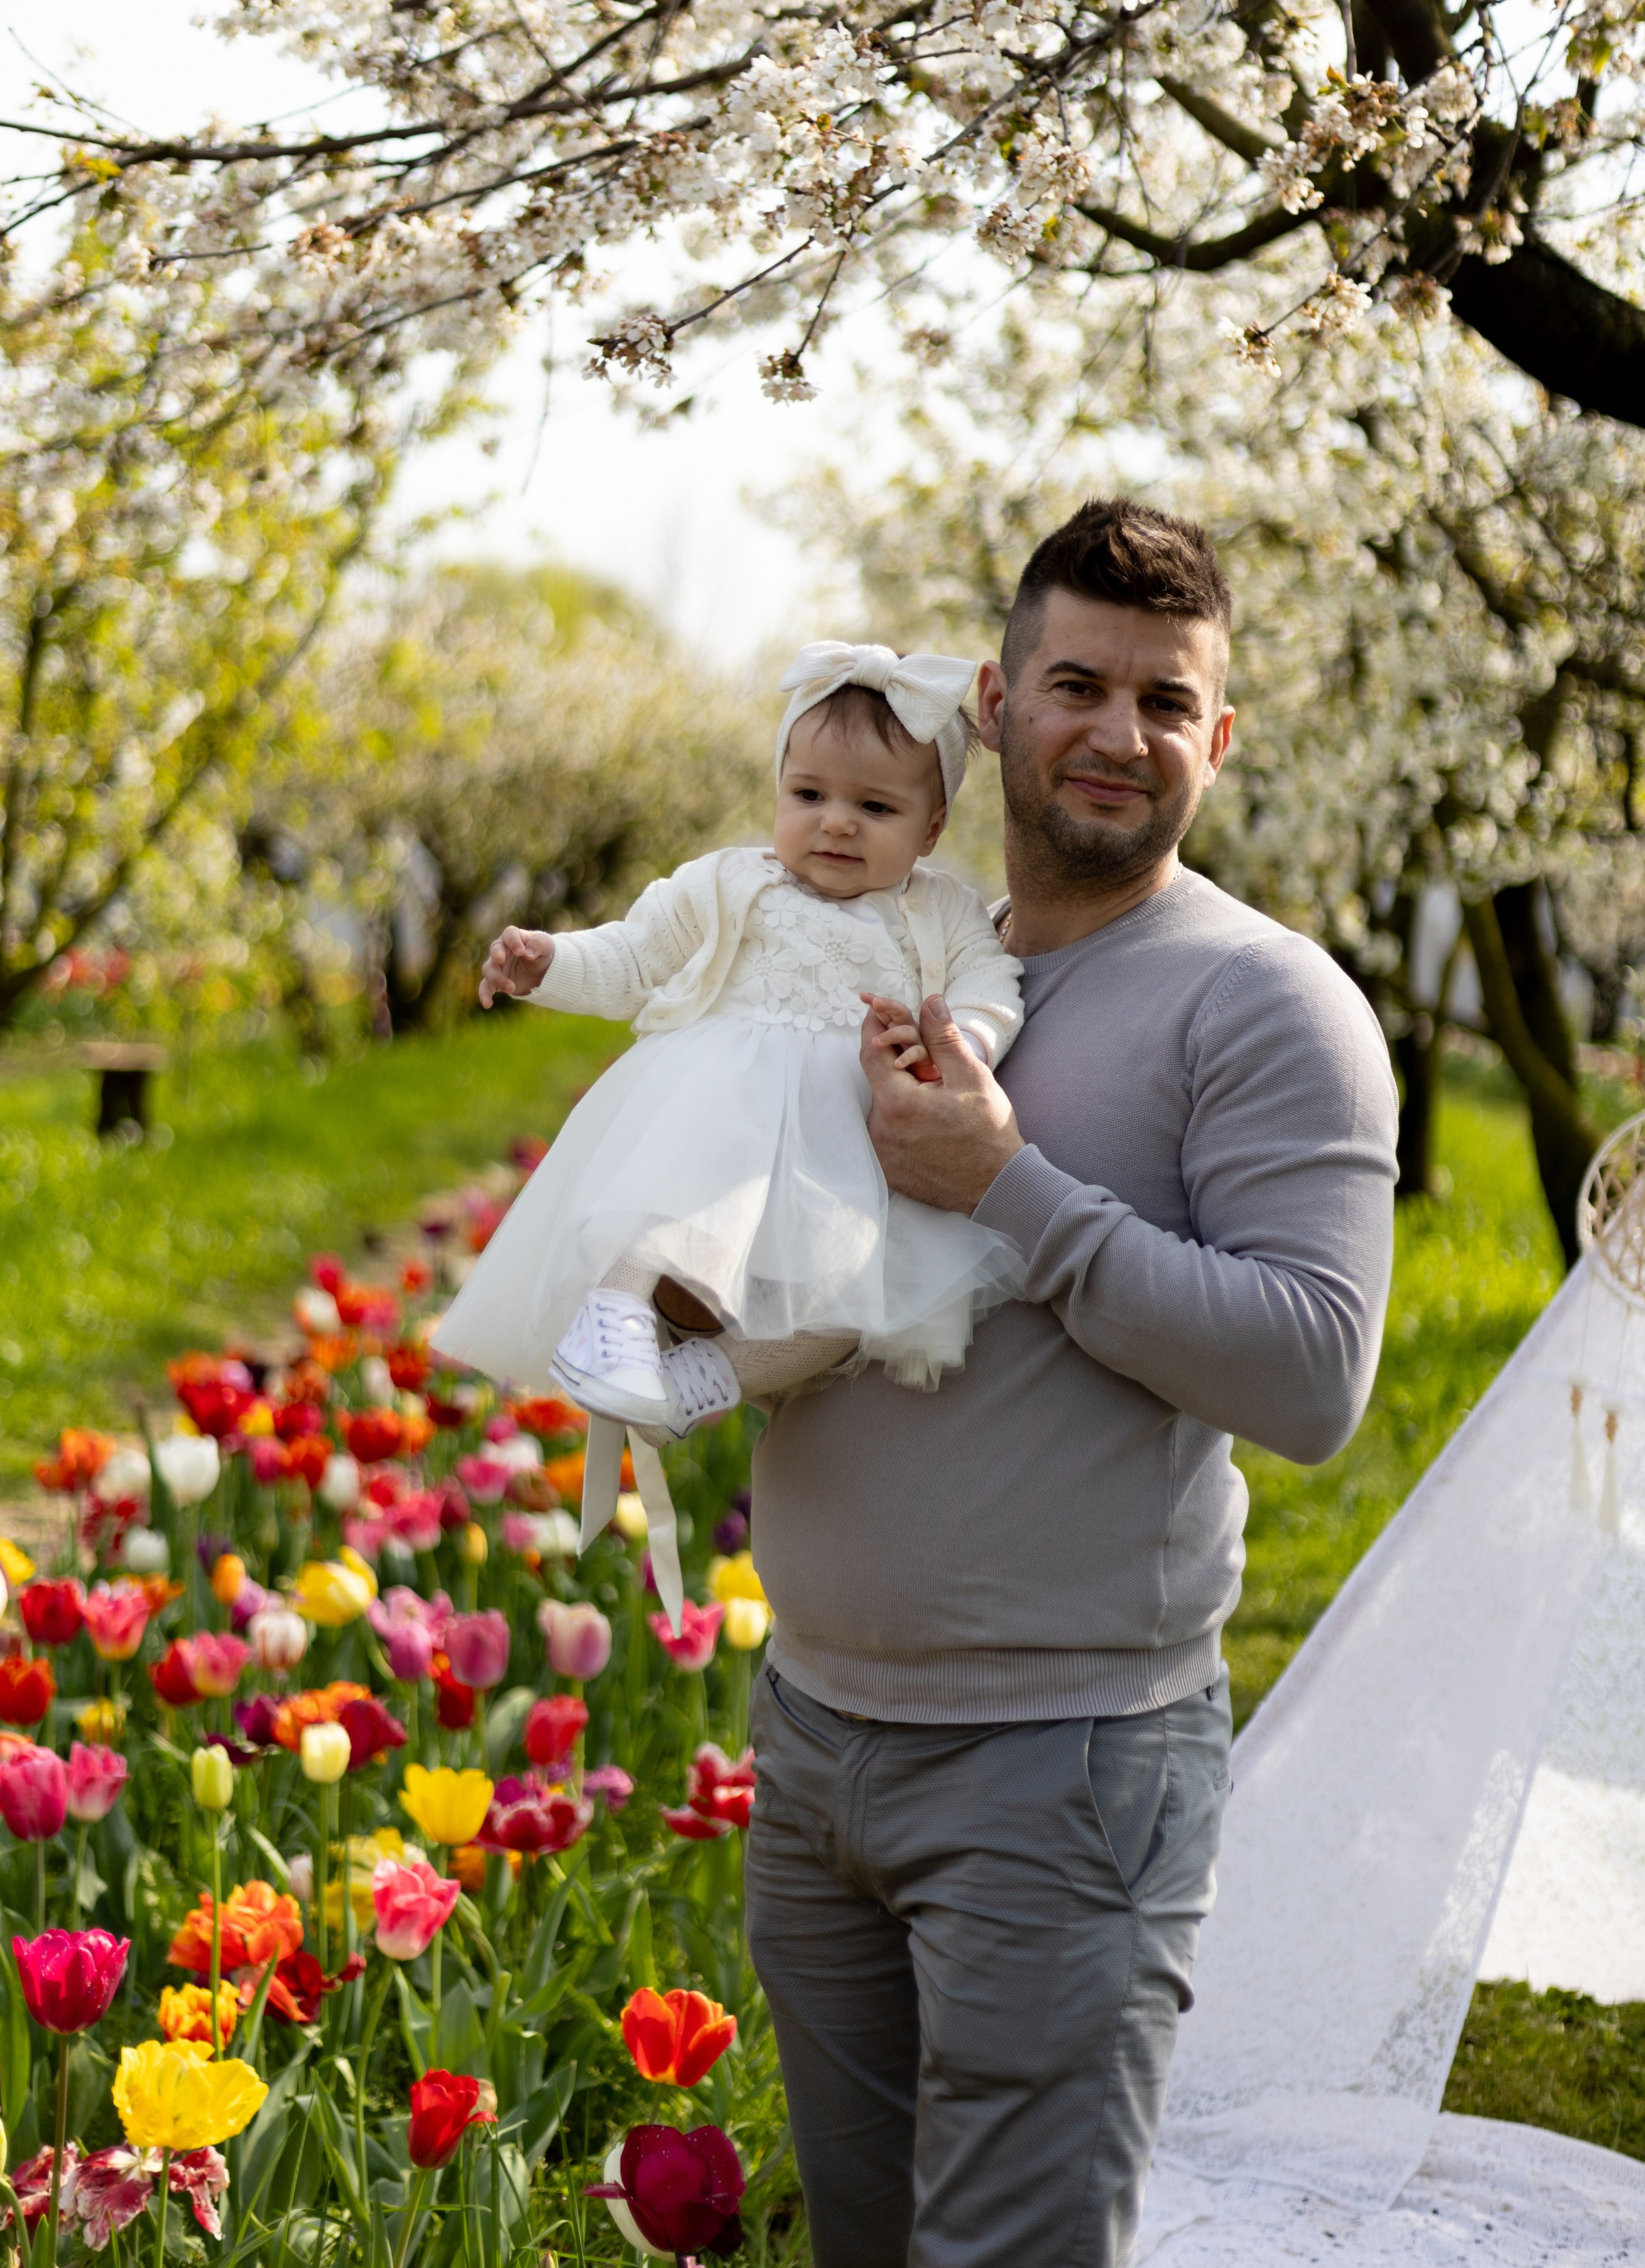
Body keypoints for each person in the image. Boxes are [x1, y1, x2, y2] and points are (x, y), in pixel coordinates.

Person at [743, 500, 1400, 2268]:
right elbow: (730, 1268)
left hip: (1065, 1766)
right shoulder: (869, 958)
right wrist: (634, 1361)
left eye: (1167, 702)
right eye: (1080, 684)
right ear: (995, 700)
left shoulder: (1268, 1006)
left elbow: (1317, 1375)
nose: (1120, 733)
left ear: (1221, 739)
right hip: (808, 1741)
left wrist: (1009, 1186)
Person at [436, 637, 1025, 1470]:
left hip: (850, 1159)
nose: (836, 821)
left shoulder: (939, 912)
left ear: (930, 828)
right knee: (673, 1208)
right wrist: (551, 965)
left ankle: (697, 1384)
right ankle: (617, 1320)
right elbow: (636, 959)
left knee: (858, 1299)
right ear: (777, 791)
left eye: (876, 809)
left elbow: (990, 980)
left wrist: (957, 1044)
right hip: (725, 1117)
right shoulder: (729, 882)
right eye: (808, 792)